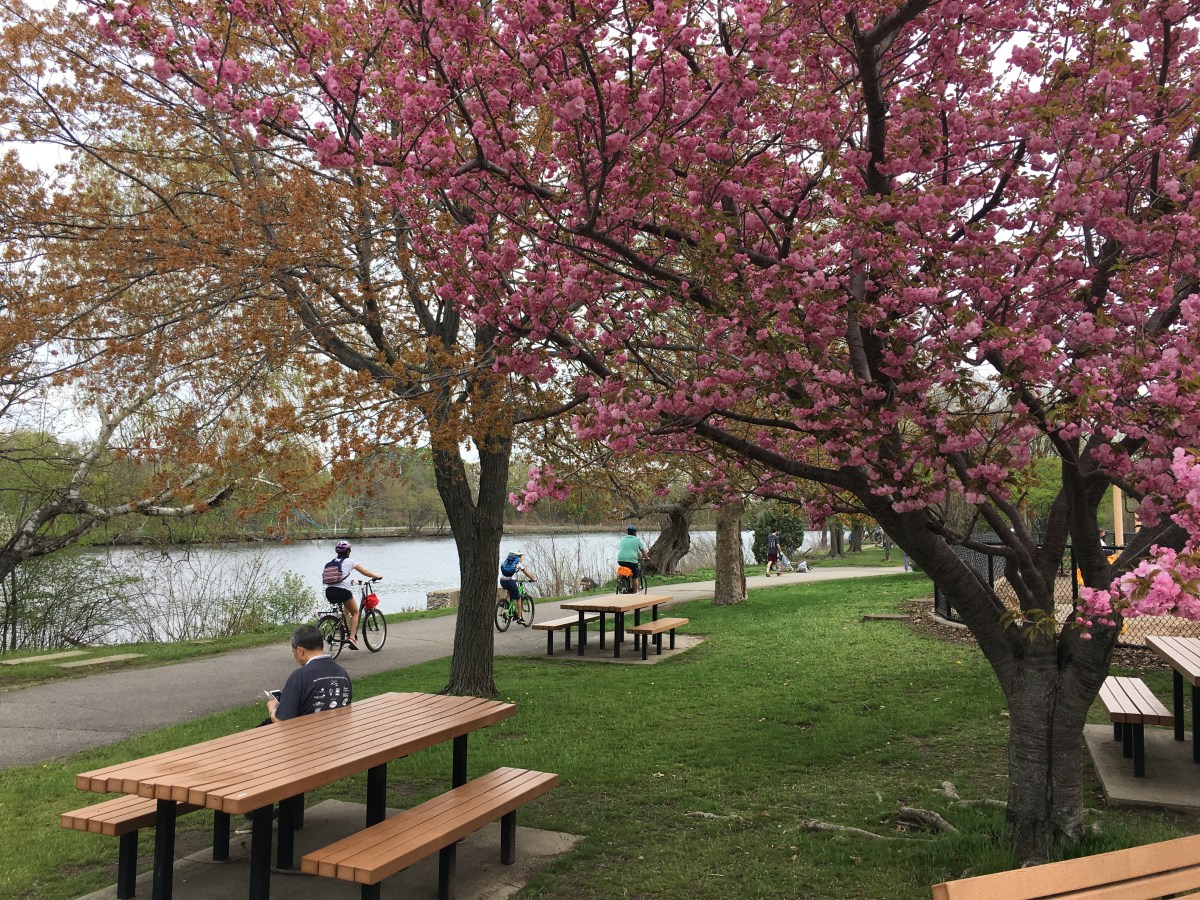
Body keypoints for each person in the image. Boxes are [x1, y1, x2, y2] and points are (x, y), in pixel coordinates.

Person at [266, 624, 352, 723]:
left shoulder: (299, 677)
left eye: (293, 651)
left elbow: (282, 722)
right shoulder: (342, 673)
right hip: (338, 733)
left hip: (308, 736)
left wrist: (272, 708)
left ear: (300, 651)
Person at [323, 539, 383, 649]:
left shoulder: (332, 562)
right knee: (355, 612)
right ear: (348, 551)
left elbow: (338, 577)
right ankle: (352, 638)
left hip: (329, 592)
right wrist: (377, 575)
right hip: (342, 592)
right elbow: (365, 572)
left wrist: (349, 581)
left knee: (347, 606)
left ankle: (343, 627)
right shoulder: (350, 562)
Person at [617, 525, 650, 592]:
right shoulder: (637, 540)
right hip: (631, 561)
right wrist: (647, 558)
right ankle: (635, 591)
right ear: (635, 532)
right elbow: (643, 551)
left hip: (620, 559)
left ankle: (622, 582)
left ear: (628, 532)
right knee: (635, 576)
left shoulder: (623, 539)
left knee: (624, 571)